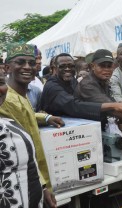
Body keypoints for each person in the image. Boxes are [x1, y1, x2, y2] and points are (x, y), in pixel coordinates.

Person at [0, 43, 65, 208]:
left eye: (31, 63)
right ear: (7, 67)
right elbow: (22, 152)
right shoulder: (7, 100)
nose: (27, 67)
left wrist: (46, 117)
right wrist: (43, 186)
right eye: (20, 62)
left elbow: (26, 116)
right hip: (25, 182)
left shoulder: (20, 94)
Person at [41, 52, 122, 121]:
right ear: (54, 68)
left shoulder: (71, 81)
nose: (68, 69)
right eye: (62, 66)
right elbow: (74, 105)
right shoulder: (52, 86)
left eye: (71, 66)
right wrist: (114, 105)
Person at [0, 68, 44, 207]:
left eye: (1, 82)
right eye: (20, 63)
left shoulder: (7, 123)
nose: (27, 67)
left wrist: (43, 186)